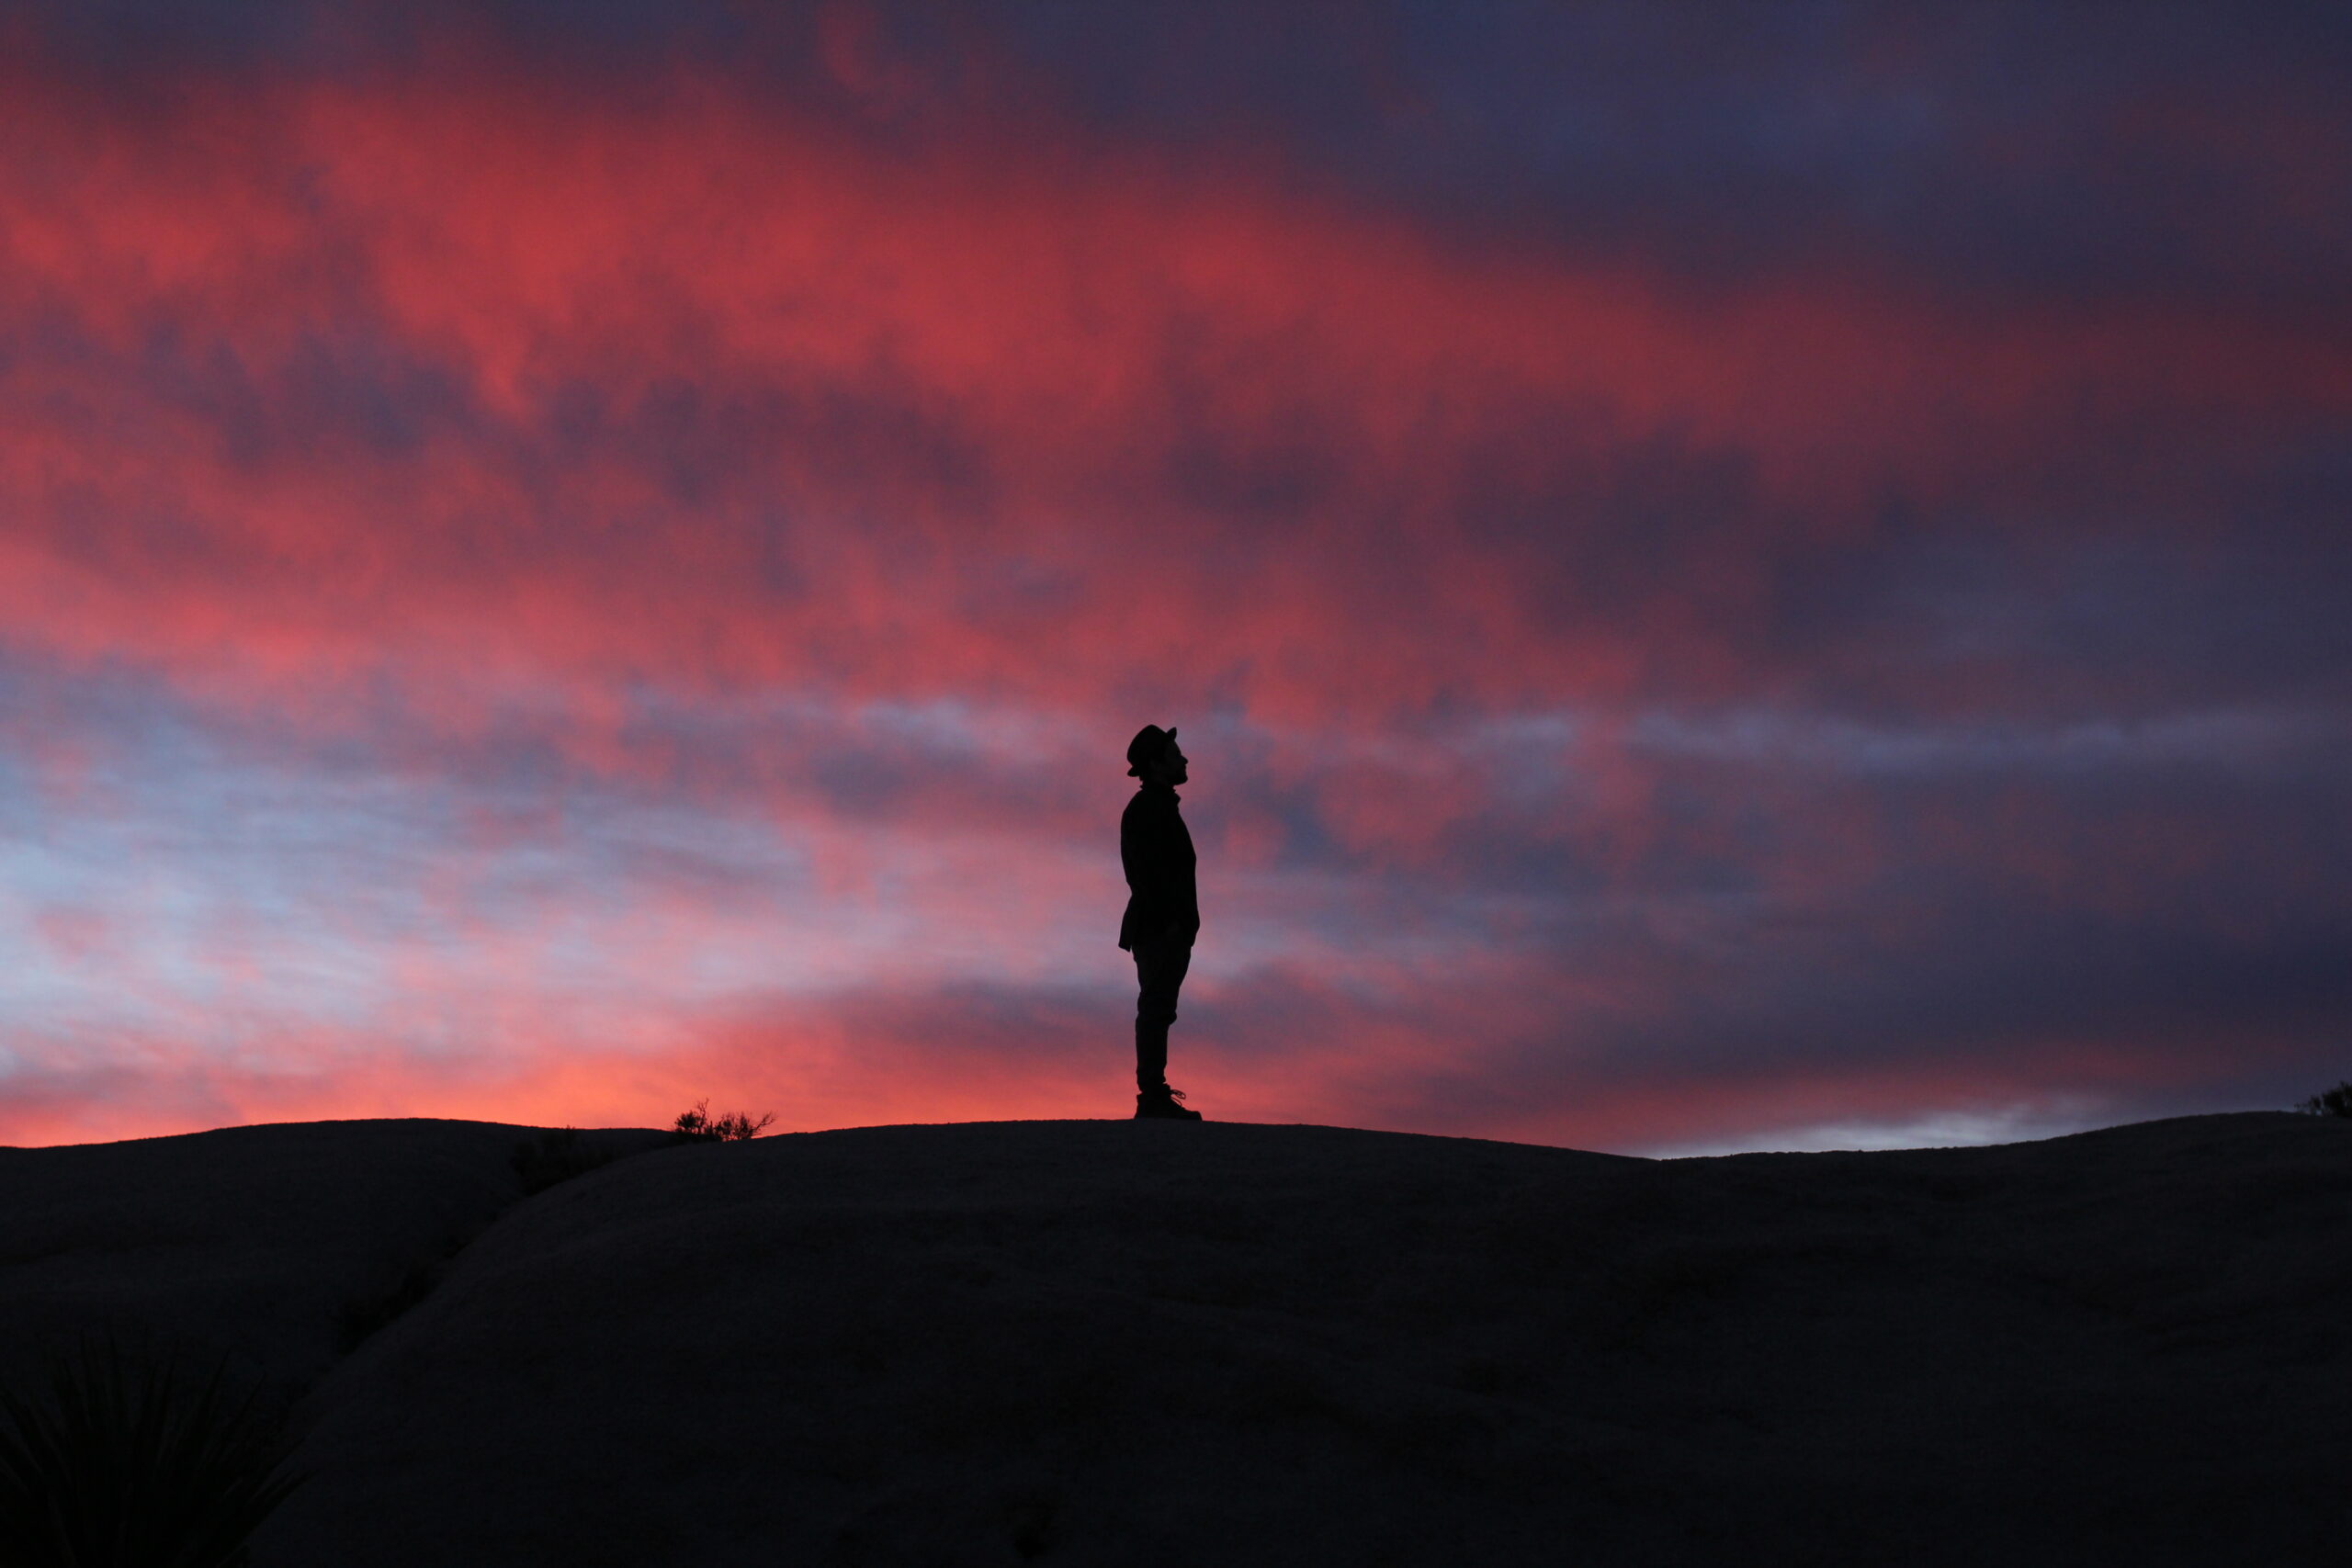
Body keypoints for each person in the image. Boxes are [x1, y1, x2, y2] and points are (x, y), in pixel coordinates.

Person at [1119, 725, 1204, 1120]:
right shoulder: (1146, 811)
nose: (1184, 759)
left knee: (1160, 1007)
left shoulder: (1160, 808)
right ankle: (1151, 1095)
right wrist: (1172, 923)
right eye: (1175, 754)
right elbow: (1145, 875)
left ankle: (1154, 1093)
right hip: (1158, 930)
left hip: (1167, 929)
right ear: (1156, 764)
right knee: (1155, 1007)